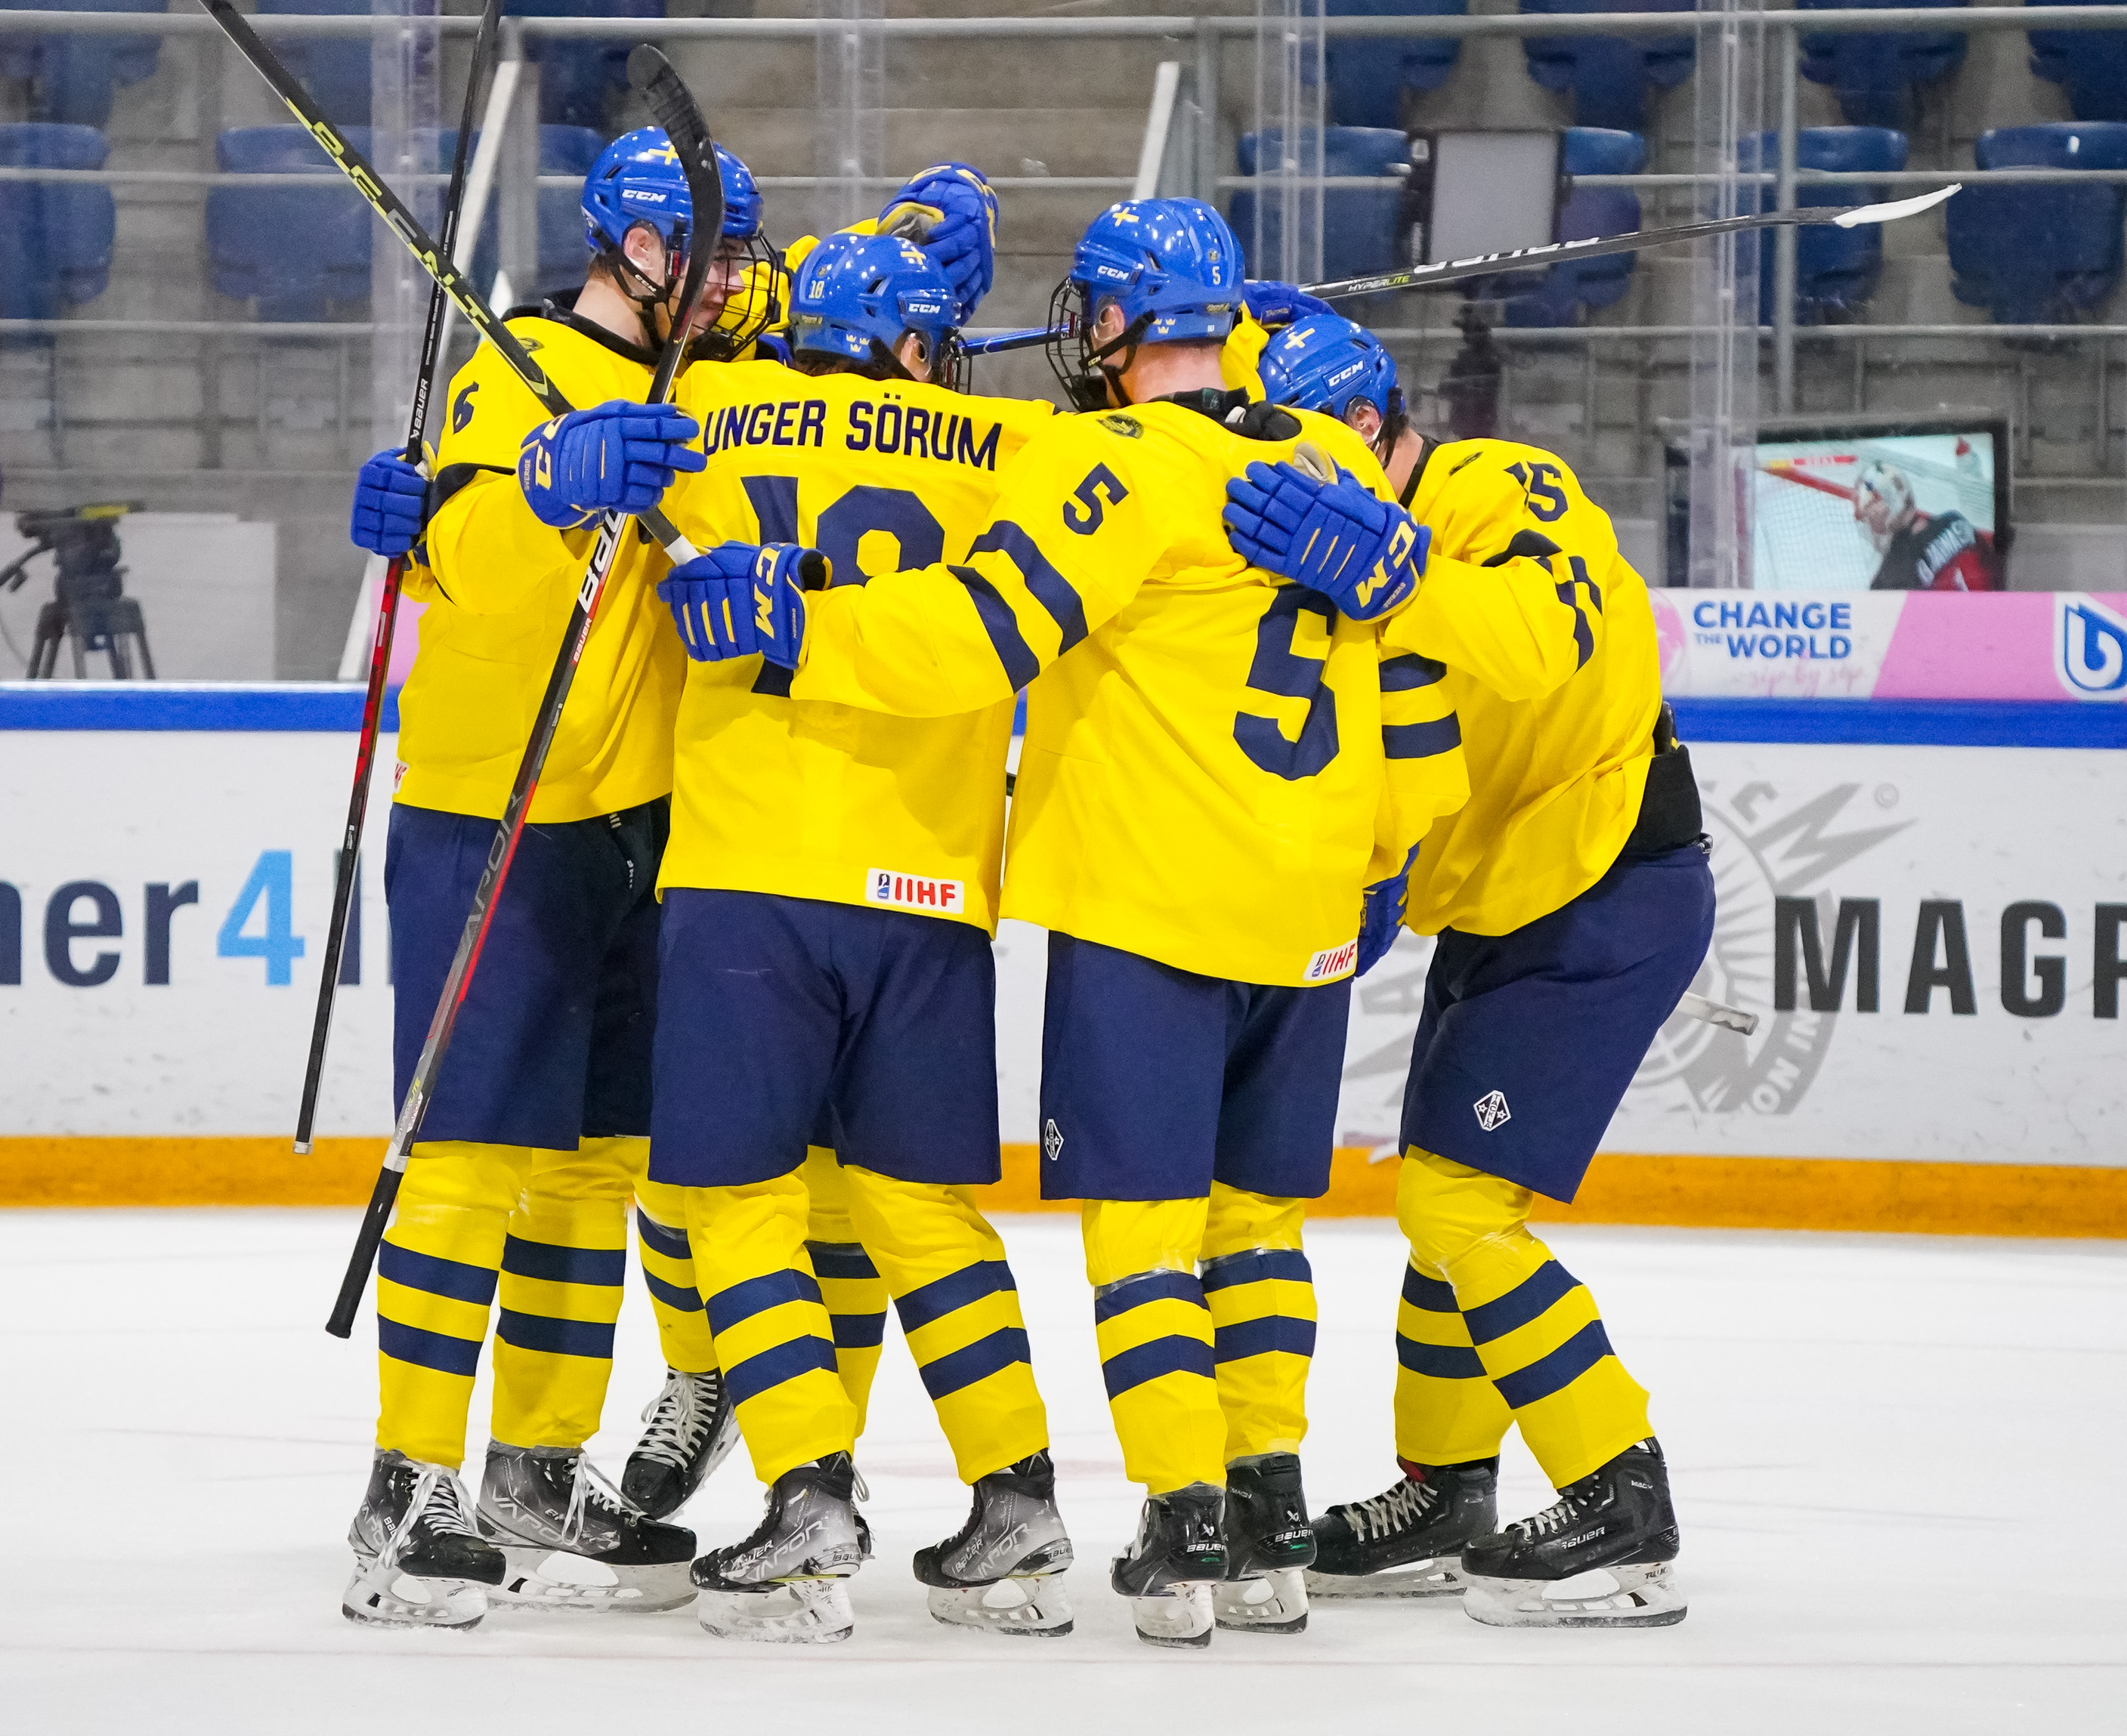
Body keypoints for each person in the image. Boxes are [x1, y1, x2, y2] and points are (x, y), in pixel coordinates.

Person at [658, 199, 1463, 1649]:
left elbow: (980, 629)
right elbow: (1412, 679)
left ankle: (1182, 1517)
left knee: (1139, 1231)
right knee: (1256, 1223)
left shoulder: (1086, 457)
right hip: (1305, 898)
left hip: (1140, 893)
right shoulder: (1334, 457)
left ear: (1103, 325)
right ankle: (1261, 1501)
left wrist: (798, 626)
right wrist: (1392, 846)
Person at [335, 125, 773, 1633]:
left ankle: (535, 1463)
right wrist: (544, 484)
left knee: (596, 1163)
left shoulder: (704, 384)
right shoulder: (516, 369)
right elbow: (452, 545)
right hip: (491, 811)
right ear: (627, 247)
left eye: (731, 256)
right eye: (696, 253)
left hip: (637, 827)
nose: (719, 281)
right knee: (465, 1162)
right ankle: (405, 1492)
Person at [625, 227, 1075, 1647]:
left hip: (753, 867)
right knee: (921, 1208)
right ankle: (1017, 1499)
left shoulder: (700, 411)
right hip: (935, 884)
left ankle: (808, 1490)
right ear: (921, 341)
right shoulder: (1013, 442)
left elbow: (585, 478)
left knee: (739, 1198)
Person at [1231, 310, 1711, 1629]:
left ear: (1384, 431)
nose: (1301, 479)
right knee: (1436, 1204)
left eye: (1325, 451)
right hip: (1505, 908)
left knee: (1456, 1207)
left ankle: (1620, 1485)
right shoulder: (1316, 566)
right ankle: (1445, 1490)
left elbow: (1540, 638)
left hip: (1609, 882)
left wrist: (1397, 569)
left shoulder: (1499, 486)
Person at [1856, 459, 1993, 590]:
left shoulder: (1893, 571)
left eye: (1870, 518)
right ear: (1909, 498)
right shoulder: (1954, 519)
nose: (1869, 526)